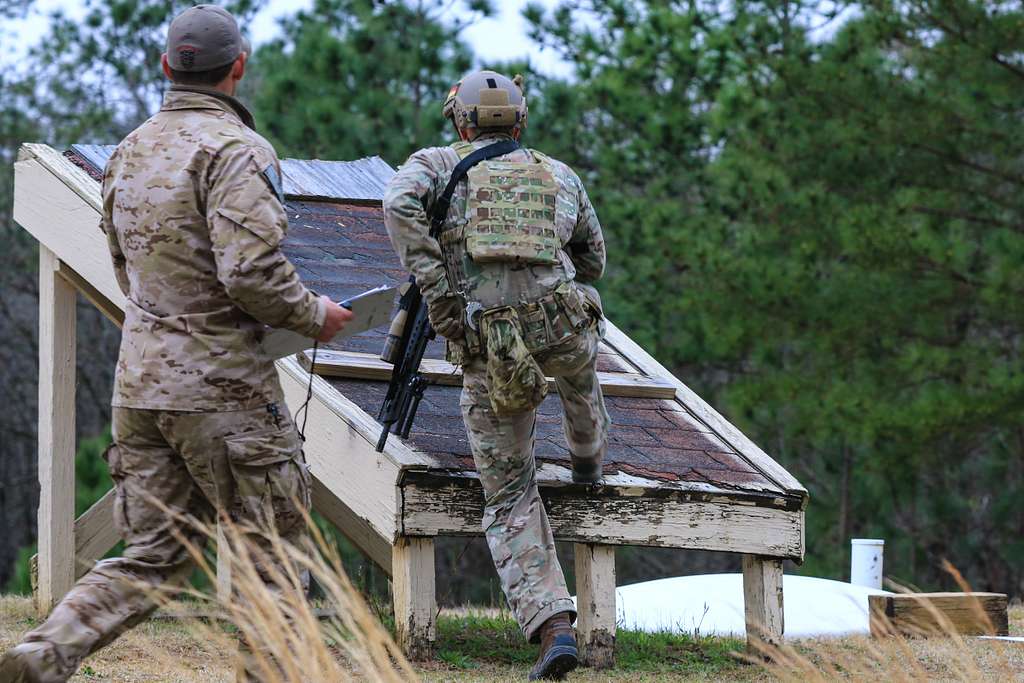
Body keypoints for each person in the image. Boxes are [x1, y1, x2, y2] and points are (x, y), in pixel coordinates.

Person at [0, 5, 352, 682]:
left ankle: (38, 655)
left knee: (155, 551)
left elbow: (125, 269)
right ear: (238, 68)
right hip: (226, 392)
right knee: (270, 554)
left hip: (141, 384)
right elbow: (248, 271)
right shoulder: (237, 151)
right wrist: (315, 314)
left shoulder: (129, 150)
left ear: (167, 65)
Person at [383, 70, 610, 681]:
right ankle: (589, 457)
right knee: (582, 373)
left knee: (510, 490)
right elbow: (593, 260)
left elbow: (396, 203)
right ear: (521, 122)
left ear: (459, 121)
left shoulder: (434, 166)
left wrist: (438, 288)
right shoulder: (558, 173)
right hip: (561, 326)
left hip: (496, 346)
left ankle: (554, 627)